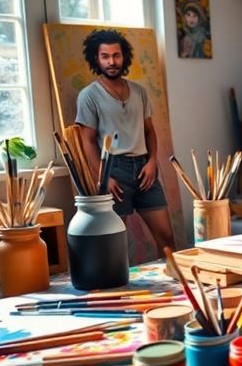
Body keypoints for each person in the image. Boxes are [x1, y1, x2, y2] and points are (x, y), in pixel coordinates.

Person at [75, 28, 176, 253]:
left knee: (167, 237)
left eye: (116, 55)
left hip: (144, 170)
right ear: (96, 58)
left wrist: (152, 163)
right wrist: (104, 178)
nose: (112, 61)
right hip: (114, 171)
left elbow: (149, 131)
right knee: (115, 244)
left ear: (124, 57)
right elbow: (88, 142)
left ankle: (176, 283)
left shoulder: (139, 91)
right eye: (105, 56)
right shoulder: (89, 96)